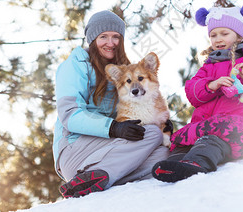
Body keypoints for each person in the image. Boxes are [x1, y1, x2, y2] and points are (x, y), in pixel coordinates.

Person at [152, 4, 243, 182]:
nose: (218, 39)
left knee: (210, 141)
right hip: (206, 124)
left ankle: (196, 164)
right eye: (213, 35)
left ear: (238, 35)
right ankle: (174, 165)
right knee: (183, 142)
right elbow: (192, 92)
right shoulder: (210, 64)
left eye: (224, 33)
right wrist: (211, 85)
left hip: (238, 125)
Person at [52, 10, 169, 198]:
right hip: (75, 150)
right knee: (152, 134)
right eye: (103, 36)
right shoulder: (76, 65)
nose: (110, 43)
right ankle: (101, 174)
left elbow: (139, 107)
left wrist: (160, 121)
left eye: (116, 37)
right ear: (92, 39)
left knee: (163, 156)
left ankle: (96, 180)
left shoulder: (125, 72)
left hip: (109, 151)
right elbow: (70, 115)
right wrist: (113, 127)